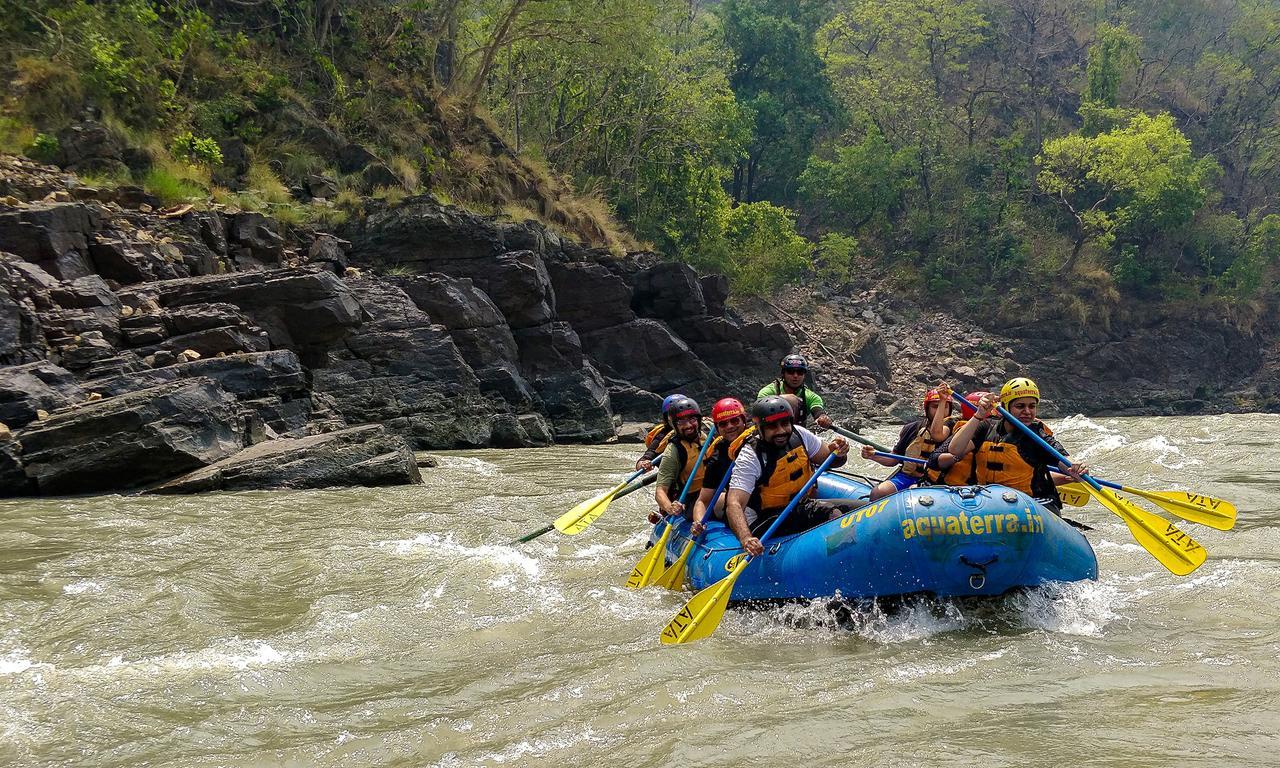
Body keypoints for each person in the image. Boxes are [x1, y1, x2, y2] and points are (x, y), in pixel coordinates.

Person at [928, 378, 1087, 508]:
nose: (1027, 411)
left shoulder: (1037, 435)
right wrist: (978, 415)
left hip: (1031, 503)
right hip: (990, 502)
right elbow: (955, 449)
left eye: (1032, 406)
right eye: (1020, 406)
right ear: (1005, 407)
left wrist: (1075, 468)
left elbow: (1063, 458)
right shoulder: (986, 427)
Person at [725, 396, 850, 556]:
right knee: (832, 514)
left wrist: (839, 452)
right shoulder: (750, 456)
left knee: (859, 509)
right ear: (759, 428)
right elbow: (734, 504)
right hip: (765, 519)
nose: (781, 431)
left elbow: (830, 460)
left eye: (785, 423)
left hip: (799, 506)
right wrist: (746, 539)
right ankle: (840, 563)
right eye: (772, 426)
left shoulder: (800, 434)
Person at [861, 384, 953, 499]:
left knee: (914, 492)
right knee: (878, 492)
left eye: (944, 406)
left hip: (937, 481)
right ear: (927, 409)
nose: (940, 410)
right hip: (907, 477)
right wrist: (873, 455)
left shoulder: (956, 431)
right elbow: (894, 459)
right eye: (935, 406)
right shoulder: (912, 428)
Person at [690, 397, 751, 535]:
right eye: (723, 424)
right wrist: (699, 522)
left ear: (744, 421)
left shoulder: (760, 439)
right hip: (739, 506)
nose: (729, 426)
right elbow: (703, 500)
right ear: (717, 428)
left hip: (767, 499)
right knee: (719, 501)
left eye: (735, 420)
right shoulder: (717, 457)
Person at [653, 396, 710, 518]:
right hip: (691, 500)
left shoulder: (709, 437)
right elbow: (660, 492)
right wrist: (670, 508)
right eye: (681, 422)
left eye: (692, 419)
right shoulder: (673, 450)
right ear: (675, 425)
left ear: (699, 420)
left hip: (715, 492)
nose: (688, 425)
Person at [757, 354, 833, 429]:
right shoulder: (767, 392)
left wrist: (822, 418)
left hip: (796, 436)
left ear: (804, 375)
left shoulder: (811, 397)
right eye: (791, 371)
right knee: (791, 400)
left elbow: (817, 411)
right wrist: (785, 402)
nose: (795, 376)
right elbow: (760, 415)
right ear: (783, 374)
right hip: (770, 432)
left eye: (800, 372)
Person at [635, 393, 685, 471]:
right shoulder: (662, 435)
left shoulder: (700, 427)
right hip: (676, 477)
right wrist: (643, 464)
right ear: (667, 418)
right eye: (673, 414)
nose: (678, 418)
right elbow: (644, 459)